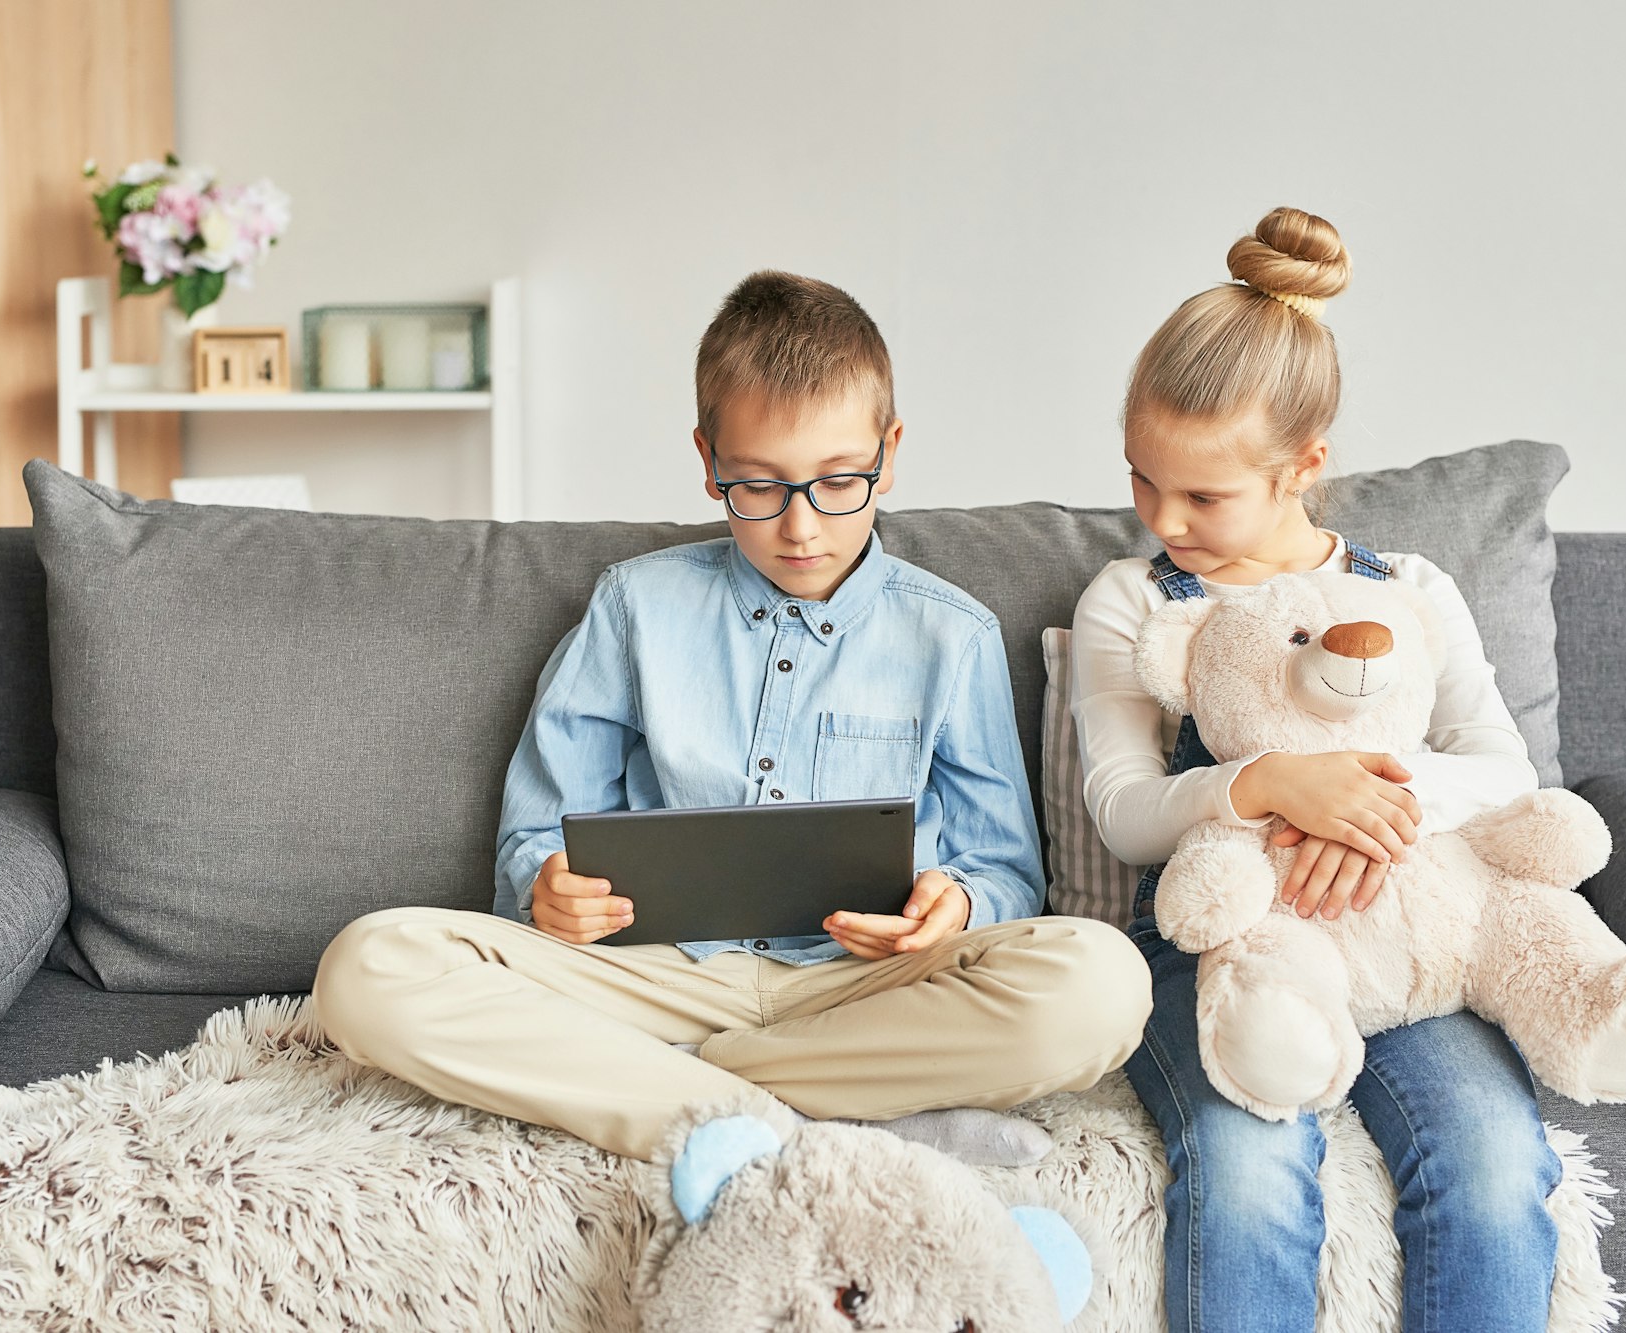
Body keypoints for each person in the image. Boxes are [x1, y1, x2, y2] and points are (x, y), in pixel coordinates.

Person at [315, 269, 1151, 1164]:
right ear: (710, 460)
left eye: (838, 481)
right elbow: (539, 831)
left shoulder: (953, 634)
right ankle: (814, 1119)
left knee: (1100, 984)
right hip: (649, 975)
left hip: (864, 991)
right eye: (758, 486)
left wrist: (956, 905)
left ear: (891, 450)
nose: (801, 527)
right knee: (368, 967)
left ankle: (678, 1091)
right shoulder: (634, 606)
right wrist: (546, 887)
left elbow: (1006, 872)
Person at [1071, 208, 1562, 1331]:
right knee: (1246, 1176)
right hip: (1210, 940)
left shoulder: (1413, 592)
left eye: (1202, 496)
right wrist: (1263, 790)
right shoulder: (1134, 599)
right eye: (1142, 480)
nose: (1161, 518)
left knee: (1490, 1171)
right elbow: (1124, 811)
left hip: (1407, 937)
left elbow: (1502, 771)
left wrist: (1362, 810)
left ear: (1305, 465)